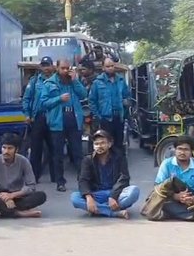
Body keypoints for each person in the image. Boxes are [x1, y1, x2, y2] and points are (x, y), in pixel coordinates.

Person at [41, 58, 87, 192]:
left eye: (68, 68)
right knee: (58, 154)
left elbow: (84, 94)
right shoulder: (49, 83)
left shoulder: (73, 81)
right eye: (63, 68)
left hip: (73, 118)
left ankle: (82, 180)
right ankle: (60, 182)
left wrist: (75, 80)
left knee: (78, 153)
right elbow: (43, 103)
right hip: (58, 121)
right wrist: (59, 99)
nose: (66, 71)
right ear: (57, 68)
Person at [71, 130, 139, 219]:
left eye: (103, 143)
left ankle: (97, 209)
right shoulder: (88, 160)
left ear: (109, 144)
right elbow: (83, 180)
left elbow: (124, 177)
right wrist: (88, 197)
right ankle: (113, 212)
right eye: (96, 144)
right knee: (75, 198)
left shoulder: (119, 157)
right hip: (97, 194)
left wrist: (113, 196)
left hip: (116, 193)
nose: (99, 146)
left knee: (134, 191)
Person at [0, 133, 47, 218]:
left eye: (10, 148)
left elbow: (31, 186)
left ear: (17, 149)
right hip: (1, 196)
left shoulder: (23, 161)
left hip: (18, 195)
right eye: (4, 148)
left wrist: (12, 196)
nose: (6, 151)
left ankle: (5, 212)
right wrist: (3, 197)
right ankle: (20, 213)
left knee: (41, 196)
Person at [152, 136, 194, 224]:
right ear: (175, 150)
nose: (182, 152)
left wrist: (192, 198)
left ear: (192, 151)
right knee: (162, 203)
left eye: (186, 149)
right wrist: (176, 197)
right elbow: (158, 187)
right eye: (179, 149)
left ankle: (176, 214)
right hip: (172, 198)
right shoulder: (167, 164)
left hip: (193, 201)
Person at [22, 56, 56, 183]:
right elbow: (27, 98)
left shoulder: (57, 80)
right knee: (36, 149)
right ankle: (34, 177)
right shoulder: (35, 81)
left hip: (53, 117)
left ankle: (56, 177)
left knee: (54, 148)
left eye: (48, 65)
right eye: (44, 65)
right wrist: (27, 114)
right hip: (38, 117)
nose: (46, 68)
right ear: (40, 67)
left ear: (52, 66)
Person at [89, 58, 130, 154]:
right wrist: (99, 116)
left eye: (112, 66)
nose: (110, 68)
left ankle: (119, 167)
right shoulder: (97, 83)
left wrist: (126, 106)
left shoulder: (120, 80)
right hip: (106, 119)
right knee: (106, 145)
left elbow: (127, 95)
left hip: (119, 118)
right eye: (108, 66)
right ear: (103, 68)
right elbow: (92, 101)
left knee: (119, 145)